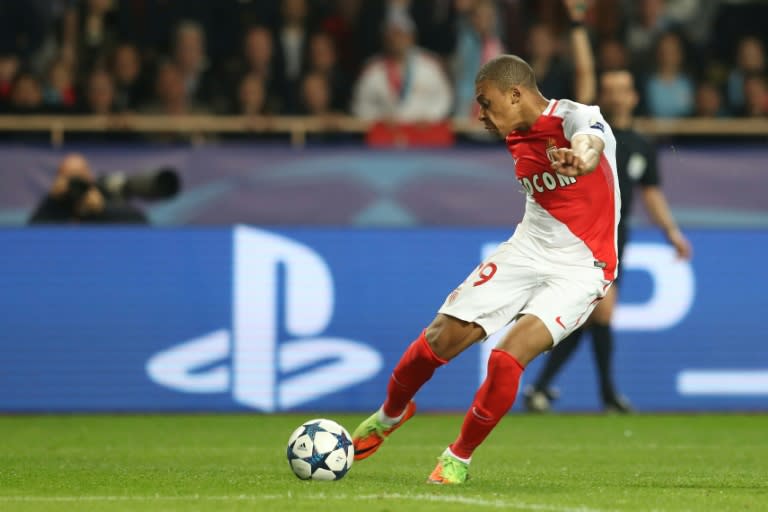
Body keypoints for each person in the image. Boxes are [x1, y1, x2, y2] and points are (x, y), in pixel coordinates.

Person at [351, 53, 620, 484]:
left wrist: (581, 158)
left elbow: (591, 142)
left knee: (506, 356)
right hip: (525, 250)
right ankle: (389, 415)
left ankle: (458, 457)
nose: (481, 115)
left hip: (583, 267)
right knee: (439, 338)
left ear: (516, 94)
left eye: (486, 102)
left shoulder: (578, 116)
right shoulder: (513, 134)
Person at [525, 69, 692, 413]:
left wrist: (672, 232)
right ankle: (602, 394)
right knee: (599, 311)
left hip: (618, 236)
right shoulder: (589, 134)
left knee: (594, 316)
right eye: (610, 90)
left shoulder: (642, 144)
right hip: (585, 233)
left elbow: (652, 194)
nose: (617, 97)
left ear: (633, 97)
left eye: (623, 90)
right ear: (601, 94)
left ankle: (547, 388)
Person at [29, 153, 147, 224]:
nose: (75, 183)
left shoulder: (100, 194)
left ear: (89, 176)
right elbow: (30, 232)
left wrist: (103, 209)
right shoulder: (56, 202)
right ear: (59, 179)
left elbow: (140, 220)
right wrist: (52, 200)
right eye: (70, 177)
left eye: (80, 176)